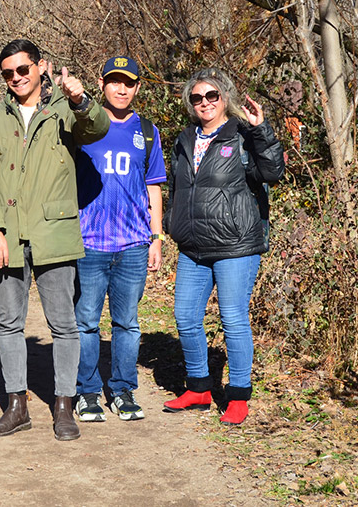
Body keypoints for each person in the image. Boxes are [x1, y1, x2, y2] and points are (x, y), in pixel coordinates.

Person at [0, 39, 109, 441]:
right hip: (8, 237)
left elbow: (96, 128)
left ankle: (64, 406)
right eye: (8, 73)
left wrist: (81, 97)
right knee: (8, 323)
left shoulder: (66, 111)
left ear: (41, 66)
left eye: (23, 69)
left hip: (54, 232)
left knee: (64, 324)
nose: (17, 78)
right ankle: (17, 406)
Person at [160, 68, 284, 425]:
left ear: (225, 98)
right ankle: (198, 387)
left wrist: (262, 130)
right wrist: (173, 224)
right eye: (197, 97)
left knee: (232, 320)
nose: (205, 103)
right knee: (185, 316)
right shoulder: (185, 139)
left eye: (211, 95)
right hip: (193, 248)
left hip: (236, 245)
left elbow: (272, 172)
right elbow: (180, 189)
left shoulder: (244, 134)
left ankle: (238, 396)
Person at [72, 56, 166, 423]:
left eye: (128, 82)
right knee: (87, 322)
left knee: (127, 323)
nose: (121, 88)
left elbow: (153, 185)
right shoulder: (83, 125)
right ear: (101, 84)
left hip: (133, 246)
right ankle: (88, 392)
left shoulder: (147, 130)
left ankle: (124, 390)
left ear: (138, 87)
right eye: (114, 81)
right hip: (89, 242)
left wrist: (156, 238)